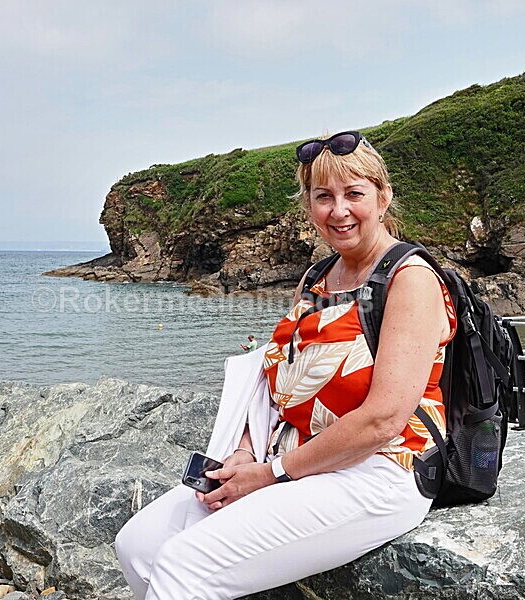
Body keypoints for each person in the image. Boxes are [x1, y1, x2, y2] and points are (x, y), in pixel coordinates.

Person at [115, 131, 456, 600]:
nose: (339, 211)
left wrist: (272, 475)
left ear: (383, 197)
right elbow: (277, 384)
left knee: (184, 566)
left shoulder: (410, 279)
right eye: (323, 197)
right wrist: (243, 453)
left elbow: (383, 419)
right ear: (309, 206)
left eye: (354, 194)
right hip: (291, 458)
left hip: (379, 470)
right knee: (137, 545)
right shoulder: (317, 278)